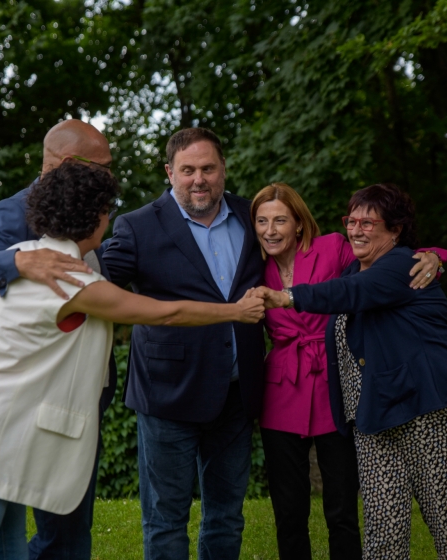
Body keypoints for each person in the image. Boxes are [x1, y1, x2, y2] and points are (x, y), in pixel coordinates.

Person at [0, 161, 266, 559]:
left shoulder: (24, 256)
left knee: (7, 551)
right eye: (107, 211)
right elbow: (165, 312)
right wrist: (235, 311)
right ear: (95, 218)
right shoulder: (71, 280)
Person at [253, 183, 447, 559]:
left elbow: (350, 292)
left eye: (368, 223)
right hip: (375, 415)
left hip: (433, 408)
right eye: (352, 221)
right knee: (382, 530)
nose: (356, 230)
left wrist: (288, 296)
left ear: (395, 230)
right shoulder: (353, 267)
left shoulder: (401, 266)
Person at [0, 119, 117, 559]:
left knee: (63, 530)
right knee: (58, 537)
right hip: (28, 405)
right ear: (71, 163)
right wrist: (18, 264)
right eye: (104, 166)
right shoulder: (11, 214)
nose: (111, 176)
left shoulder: (89, 212)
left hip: (78, 401)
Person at [102, 128, 265, 560]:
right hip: (167, 391)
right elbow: (97, 281)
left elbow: (302, 258)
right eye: (188, 170)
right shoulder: (137, 225)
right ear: (169, 172)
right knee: (165, 520)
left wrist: (426, 254)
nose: (199, 179)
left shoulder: (253, 216)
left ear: (223, 169)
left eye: (208, 168)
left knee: (227, 516)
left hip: (236, 391)